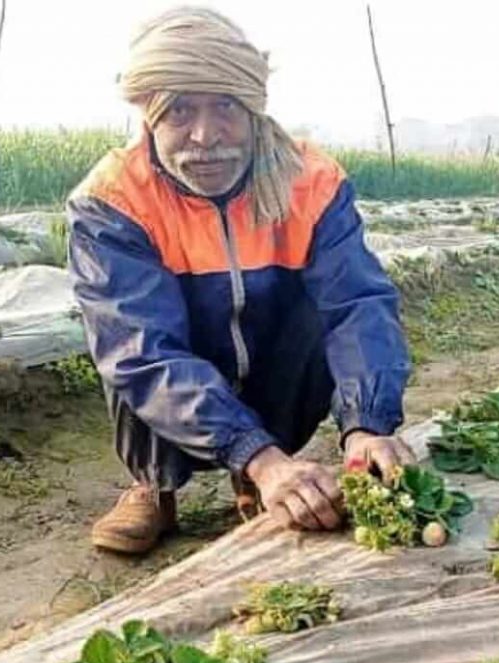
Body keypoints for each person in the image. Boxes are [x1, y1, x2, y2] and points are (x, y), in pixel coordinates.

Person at [67, 6, 415, 555]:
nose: (205, 136)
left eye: (225, 106)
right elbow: (144, 353)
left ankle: (254, 468)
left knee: (321, 310)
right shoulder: (113, 202)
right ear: (149, 117)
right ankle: (155, 485)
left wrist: (367, 425)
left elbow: (357, 304)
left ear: (253, 108)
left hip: (271, 357)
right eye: (180, 111)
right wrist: (263, 458)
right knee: (129, 343)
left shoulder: (311, 182)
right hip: (178, 357)